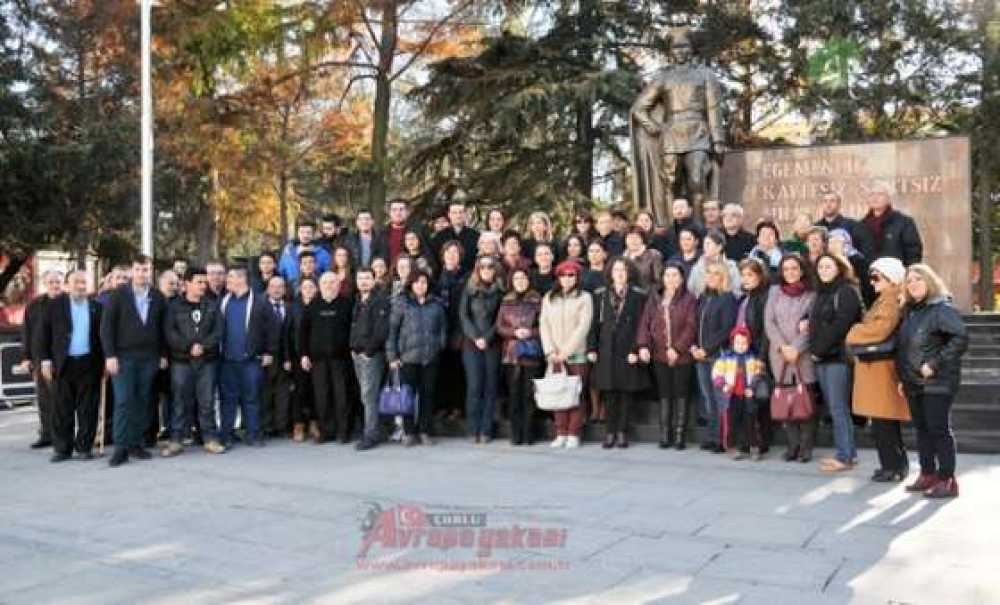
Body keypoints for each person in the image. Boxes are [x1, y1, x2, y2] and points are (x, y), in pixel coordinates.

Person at [897, 264, 968, 498]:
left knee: (938, 429)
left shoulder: (941, 308)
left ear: (929, 281)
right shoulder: (910, 311)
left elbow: (960, 337)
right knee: (922, 429)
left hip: (938, 380)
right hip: (913, 382)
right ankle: (928, 474)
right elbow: (906, 348)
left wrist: (934, 364)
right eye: (909, 281)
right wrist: (903, 378)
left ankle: (947, 480)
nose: (913, 284)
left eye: (918, 279)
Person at [846, 257, 910, 482]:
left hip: (880, 369)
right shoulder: (886, 299)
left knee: (883, 422)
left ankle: (891, 467)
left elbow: (880, 330)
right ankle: (895, 466)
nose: (871, 282)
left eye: (876, 277)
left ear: (892, 280)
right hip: (876, 368)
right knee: (884, 421)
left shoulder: (890, 301)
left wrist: (854, 331)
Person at [100, 255, 168, 467]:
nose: (142, 273)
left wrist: (163, 355)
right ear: (132, 271)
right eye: (138, 269)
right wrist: (110, 356)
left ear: (151, 272)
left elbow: (163, 328)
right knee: (124, 400)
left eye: (146, 270)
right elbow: (106, 328)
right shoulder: (118, 295)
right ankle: (121, 447)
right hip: (123, 358)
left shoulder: (157, 297)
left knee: (142, 401)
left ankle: (136, 444)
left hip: (149, 359)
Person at [36, 270, 103, 462]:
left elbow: (102, 337)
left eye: (84, 283)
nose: (81, 286)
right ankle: (62, 449)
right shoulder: (54, 306)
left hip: (89, 363)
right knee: (61, 408)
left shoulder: (96, 307)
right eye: (76, 282)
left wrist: (106, 360)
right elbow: (42, 335)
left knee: (88, 408)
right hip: (62, 364)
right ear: (68, 285)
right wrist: (45, 361)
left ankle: (84, 447)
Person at [162, 267, 226, 456]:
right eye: (199, 282)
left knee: (207, 401)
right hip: (181, 362)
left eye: (204, 282)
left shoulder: (212, 306)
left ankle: (210, 439)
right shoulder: (174, 307)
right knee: (179, 401)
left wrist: (202, 346)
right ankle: (176, 440)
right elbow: (170, 332)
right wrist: (188, 347)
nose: (203, 286)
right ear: (187, 284)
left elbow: (218, 332)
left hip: (206, 362)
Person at [810, 254, 864, 472]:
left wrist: (818, 350)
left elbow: (840, 326)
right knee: (836, 408)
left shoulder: (846, 291)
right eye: (820, 266)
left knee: (838, 408)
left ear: (839, 268)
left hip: (837, 358)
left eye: (828, 266)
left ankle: (844, 457)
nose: (823, 270)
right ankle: (848, 453)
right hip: (824, 358)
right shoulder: (822, 292)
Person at [589, 257, 650, 449]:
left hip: (627, 350)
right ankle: (609, 432)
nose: (620, 274)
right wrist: (592, 348)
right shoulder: (600, 295)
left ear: (629, 273)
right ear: (610, 273)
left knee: (625, 393)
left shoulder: (639, 295)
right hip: (606, 350)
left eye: (623, 270)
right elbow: (594, 326)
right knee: (609, 393)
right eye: (616, 270)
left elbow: (642, 325)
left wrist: (637, 349)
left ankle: (622, 432)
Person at [637, 262, 697, 449]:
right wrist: (643, 345)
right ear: (662, 278)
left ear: (681, 278)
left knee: (680, 394)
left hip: (682, 356)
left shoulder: (689, 299)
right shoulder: (655, 298)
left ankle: (679, 435)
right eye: (668, 275)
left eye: (675, 276)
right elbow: (645, 323)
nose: (671, 279)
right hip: (659, 355)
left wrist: (677, 348)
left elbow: (691, 326)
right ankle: (665, 434)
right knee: (664, 394)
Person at [765, 254, 818, 463]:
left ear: (802, 270)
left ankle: (806, 448)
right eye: (786, 269)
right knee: (786, 402)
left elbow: (812, 324)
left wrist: (796, 348)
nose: (790, 273)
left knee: (805, 401)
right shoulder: (774, 292)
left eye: (794, 268)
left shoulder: (812, 294)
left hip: (802, 356)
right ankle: (792, 446)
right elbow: (769, 322)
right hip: (779, 356)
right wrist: (782, 346)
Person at [387, 269, 448, 446]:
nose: (421, 285)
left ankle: (424, 430)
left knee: (428, 395)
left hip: (430, 358)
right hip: (408, 358)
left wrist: (439, 346)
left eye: (424, 282)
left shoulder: (436, 305)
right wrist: (392, 355)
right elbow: (392, 331)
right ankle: (409, 431)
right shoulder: (402, 303)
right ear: (411, 284)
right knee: (407, 396)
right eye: (417, 282)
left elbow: (443, 328)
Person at [218, 267, 277, 448]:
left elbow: (273, 329)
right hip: (227, 360)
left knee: (252, 398)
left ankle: (253, 434)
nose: (226, 280)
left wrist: (270, 352)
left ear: (241, 279)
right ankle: (226, 435)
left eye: (230, 277)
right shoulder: (224, 301)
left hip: (251, 360)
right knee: (228, 400)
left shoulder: (260, 301)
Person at [540, 260, 593, 448]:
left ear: (577, 277)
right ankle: (560, 432)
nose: (567, 278)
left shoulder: (585, 298)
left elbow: (583, 327)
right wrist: (550, 351)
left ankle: (574, 432)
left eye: (571, 275)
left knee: (575, 393)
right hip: (554, 355)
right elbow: (543, 325)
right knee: (558, 392)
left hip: (576, 353)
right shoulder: (549, 297)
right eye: (563, 275)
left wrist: (565, 352)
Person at [300, 272, 353, 444]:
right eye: (325, 283)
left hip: (341, 359)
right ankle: (325, 431)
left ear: (339, 285)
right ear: (320, 286)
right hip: (318, 360)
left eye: (332, 282)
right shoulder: (312, 306)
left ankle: (343, 432)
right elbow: (303, 333)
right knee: (322, 397)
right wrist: (304, 355)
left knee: (342, 396)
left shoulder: (347, 304)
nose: (329, 285)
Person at [692, 259, 738, 452]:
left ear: (723, 277)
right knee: (708, 399)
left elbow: (726, 329)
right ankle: (712, 436)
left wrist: (707, 349)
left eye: (715, 273)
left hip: (718, 356)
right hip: (701, 356)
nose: (711, 277)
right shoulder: (703, 297)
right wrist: (694, 347)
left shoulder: (727, 298)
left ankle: (723, 439)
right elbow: (695, 324)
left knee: (721, 399)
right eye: (708, 273)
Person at [496, 268, 544, 446]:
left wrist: (530, 332)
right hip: (511, 353)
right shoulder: (506, 301)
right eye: (516, 278)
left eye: (523, 278)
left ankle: (529, 433)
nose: (520, 281)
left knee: (529, 395)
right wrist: (514, 332)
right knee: (514, 395)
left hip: (531, 352)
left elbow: (544, 325)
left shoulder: (537, 300)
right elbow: (499, 326)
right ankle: (515, 434)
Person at [460, 255, 504, 443]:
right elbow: (463, 316)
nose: (486, 269)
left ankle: (486, 429)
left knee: (490, 387)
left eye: (490, 266)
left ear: (495, 270)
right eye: (483, 266)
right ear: (477, 269)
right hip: (471, 344)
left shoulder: (501, 291)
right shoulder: (469, 290)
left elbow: (501, 318)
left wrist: (487, 338)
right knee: (474, 386)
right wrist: (476, 337)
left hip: (492, 343)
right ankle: (473, 428)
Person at [21, 269, 63, 449]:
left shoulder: (68, 303)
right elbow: (27, 332)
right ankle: (46, 434)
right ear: (44, 284)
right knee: (44, 399)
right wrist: (26, 357)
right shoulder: (34, 305)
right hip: (39, 358)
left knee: (61, 399)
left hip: (62, 359)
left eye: (57, 282)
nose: (55, 285)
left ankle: (62, 435)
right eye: (51, 282)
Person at [736, 258, 773, 457]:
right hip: (742, 355)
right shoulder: (744, 297)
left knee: (759, 399)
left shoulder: (764, 297)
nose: (746, 278)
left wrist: (761, 357)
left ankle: (761, 442)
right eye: (743, 275)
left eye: (750, 274)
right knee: (746, 400)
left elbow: (766, 330)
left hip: (758, 354)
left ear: (760, 276)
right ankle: (748, 441)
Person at [351, 267, 391, 451]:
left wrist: (368, 352)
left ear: (374, 280)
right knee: (366, 394)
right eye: (360, 278)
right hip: (357, 354)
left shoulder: (380, 300)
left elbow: (381, 330)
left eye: (367, 278)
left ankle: (371, 435)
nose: (364, 281)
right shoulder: (358, 300)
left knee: (369, 396)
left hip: (371, 356)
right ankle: (374, 429)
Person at [711, 326, 766, 457]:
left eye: (744, 343)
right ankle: (731, 447)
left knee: (751, 422)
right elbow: (716, 374)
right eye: (738, 343)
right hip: (732, 396)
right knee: (731, 423)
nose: (741, 346)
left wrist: (752, 388)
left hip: (747, 395)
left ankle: (754, 446)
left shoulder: (752, 359)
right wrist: (723, 384)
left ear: (748, 343)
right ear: (732, 343)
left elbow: (759, 375)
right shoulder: (725, 358)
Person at [435, 241, 468, 421]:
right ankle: (443, 405)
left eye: (455, 252)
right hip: (441, 328)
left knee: (457, 370)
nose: (451, 255)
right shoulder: (437, 277)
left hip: (459, 328)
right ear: (443, 255)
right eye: (448, 252)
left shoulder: (465, 276)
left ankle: (457, 406)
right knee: (442, 369)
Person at [260, 276, 293, 439]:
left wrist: (288, 358)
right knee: (266, 393)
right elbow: (257, 333)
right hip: (267, 356)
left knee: (282, 393)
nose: (277, 289)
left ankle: (281, 426)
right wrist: (262, 353)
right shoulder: (260, 307)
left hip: (284, 357)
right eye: (273, 286)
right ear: (268, 289)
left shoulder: (288, 307)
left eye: (280, 286)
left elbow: (289, 335)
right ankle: (267, 426)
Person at [286, 277, 318, 442]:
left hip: (317, 356)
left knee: (316, 391)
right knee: (299, 391)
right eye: (304, 287)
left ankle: (314, 423)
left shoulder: (319, 305)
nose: (308, 290)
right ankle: (298, 425)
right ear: (300, 289)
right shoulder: (293, 307)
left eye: (311, 286)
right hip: (297, 356)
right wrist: (287, 357)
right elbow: (286, 333)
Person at [862, 184, 923, 267]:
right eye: (871, 194)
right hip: (870, 275)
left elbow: (913, 252)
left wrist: (909, 272)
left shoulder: (904, 222)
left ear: (889, 198)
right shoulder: (861, 225)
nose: (875, 198)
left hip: (897, 275)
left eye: (880, 194)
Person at [816, 190, 875, 262]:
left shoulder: (855, 226)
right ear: (821, 205)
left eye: (832, 201)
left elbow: (866, 253)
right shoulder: (815, 228)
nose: (828, 204)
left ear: (839, 204)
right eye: (825, 201)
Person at [828, 228, 875, 307]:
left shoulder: (858, 261)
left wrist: (843, 260)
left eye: (837, 242)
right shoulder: (827, 260)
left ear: (846, 243)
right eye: (830, 242)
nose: (833, 245)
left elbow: (865, 286)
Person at [687, 229, 741, 297]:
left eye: (708, 244)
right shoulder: (697, 267)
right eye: (704, 244)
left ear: (719, 247)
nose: (705, 247)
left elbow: (737, 289)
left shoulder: (731, 266)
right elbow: (691, 288)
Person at [431, 201, 480, 273]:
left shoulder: (475, 236)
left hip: (468, 277)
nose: (458, 216)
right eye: (454, 213)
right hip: (445, 277)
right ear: (449, 215)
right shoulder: (439, 236)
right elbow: (435, 259)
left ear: (465, 214)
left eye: (461, 212)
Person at [278, 221, 331, 286]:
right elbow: (280, 275)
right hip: (291, 293)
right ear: (298, 233)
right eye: (302, 232)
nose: (305, 235)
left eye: (308, 232)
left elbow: (328, 276)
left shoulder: (323, 254)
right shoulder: (287, 253)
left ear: (313, 234)